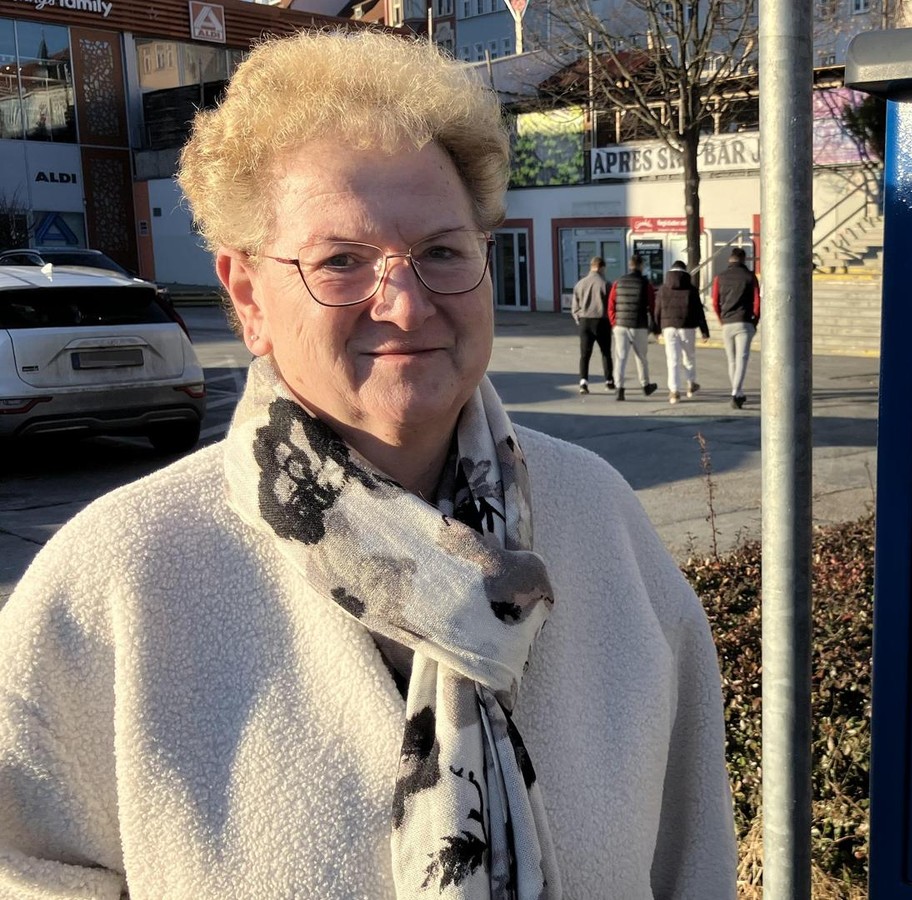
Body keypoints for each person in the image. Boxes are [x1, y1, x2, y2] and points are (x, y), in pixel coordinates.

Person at [0, 31, 736, 900]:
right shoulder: (122, 574)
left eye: (442, 251)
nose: (407, 300)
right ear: (247, 297)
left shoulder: (602, 519)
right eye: (341, 262)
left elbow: (693, 855)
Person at [712, 246, 760, 409]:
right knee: (742, 359)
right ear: (744, 259)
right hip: (744, 321)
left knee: (731, 360)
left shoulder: (720, 277)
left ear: (730, 259)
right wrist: (755, 321)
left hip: (727, 322)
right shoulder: (750, 276)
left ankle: (737, 392)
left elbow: (714, 302)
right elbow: (757, 302)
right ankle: (735, 392)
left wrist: (721, 319)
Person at [656, 260, 709, 404]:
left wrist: (655, 329)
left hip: (669, 327)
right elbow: (699, 311)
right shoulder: (691, 290)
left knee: (672, 360)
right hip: (687, 326)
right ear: (685, 271)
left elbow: (657, 310)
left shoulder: (663, 289)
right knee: (689, 357)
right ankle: (691, 385)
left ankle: (674, 392)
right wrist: (704, 331)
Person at [607, 254, 658, 401]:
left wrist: (614, 323)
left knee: (620, 358)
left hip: (621, 326)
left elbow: (611, 305)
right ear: (641, 266)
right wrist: (653, 325)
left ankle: (620, 390)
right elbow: (652, 306)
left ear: (630, 265)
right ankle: (645, 386)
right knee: (641, 357)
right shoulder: (645, 283)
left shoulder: (618, 282)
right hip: (639, 325)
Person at [570, 255, 614, 395]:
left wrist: (579, 319)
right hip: (602, 321)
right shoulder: (606, 284)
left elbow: (574, 307)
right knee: (606, 352)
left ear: (591, 266)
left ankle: (583, 382)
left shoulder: (580, 284)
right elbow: (611, 305)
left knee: (585, 354)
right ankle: (609, 381)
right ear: (601, 267)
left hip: (585, 321)